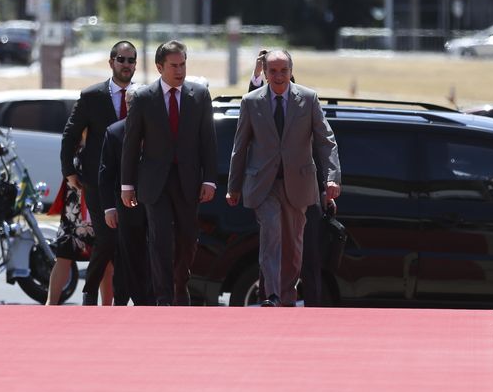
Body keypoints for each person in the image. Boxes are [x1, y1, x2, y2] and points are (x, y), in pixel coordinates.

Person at [226, 50, 341, 307]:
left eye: (283, 70)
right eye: (273, 71)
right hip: (263, 185)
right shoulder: (251, 101)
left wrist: (332, 178)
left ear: (291, 70)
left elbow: (325, 141)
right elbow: (240, 146)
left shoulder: (308, 99)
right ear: (264, 73)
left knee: (293, 245)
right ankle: (272, 294)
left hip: (298, 184)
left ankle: (287, 297)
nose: (278, 76)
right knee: (271, 231)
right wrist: (233, 187)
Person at [120, 40, 217, 306]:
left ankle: (180, 284)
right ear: (159, 67)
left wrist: (209, 178)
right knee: (160, 239)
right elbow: (131, 143)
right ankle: (163, 298)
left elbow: (208, 140)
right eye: (174, 65)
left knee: (187, 239)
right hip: (154, 183)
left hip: (188, 181)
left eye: (183, 64)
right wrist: (126, 184)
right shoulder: (143, 98)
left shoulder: (198, 95)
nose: (180, 70)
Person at [60, 40, 137, 305]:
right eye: (121, 59)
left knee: (126, 242)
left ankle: (122, 298)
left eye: (131, 60)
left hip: (131, 182)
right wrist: (69, 171)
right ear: (111, 62)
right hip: (96, 180)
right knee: (106, 238)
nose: (126, 65)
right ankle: (89, 292)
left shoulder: (144, 96)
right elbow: (70, 134)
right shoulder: (92, 96)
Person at [99, 84, 151, 305]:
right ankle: (126, 300)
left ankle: (148, 299)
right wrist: (109, 208)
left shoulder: (158, 129)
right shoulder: (115, 131)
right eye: (131, 102)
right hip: (126, 206)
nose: (134, 106)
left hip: (154, 203)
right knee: (128, 255)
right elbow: (106, 173)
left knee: (152, 254)